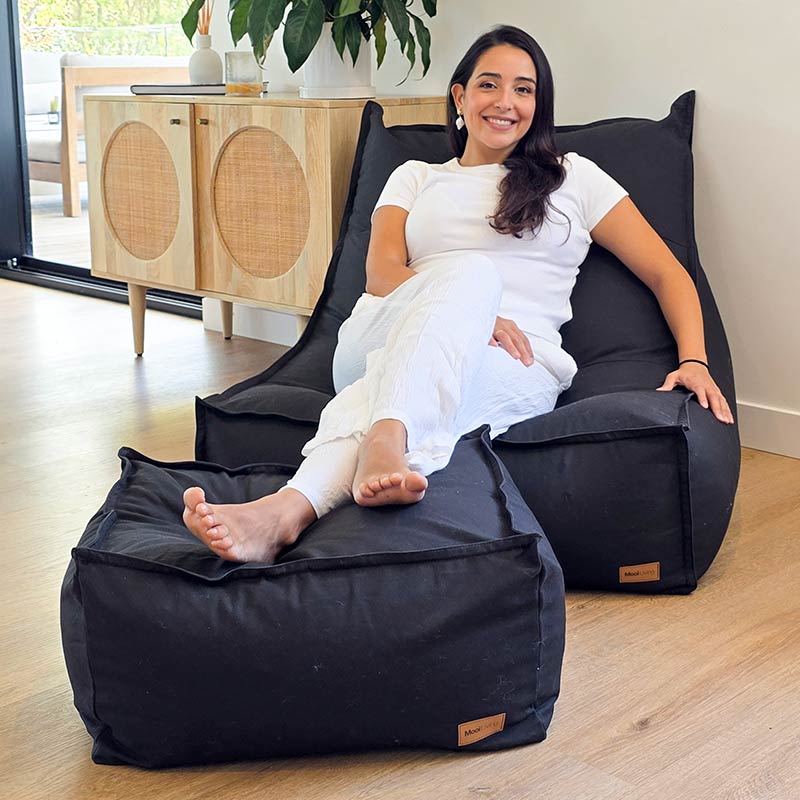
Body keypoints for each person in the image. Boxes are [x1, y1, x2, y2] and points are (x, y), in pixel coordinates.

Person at [182, 24, 734, 564]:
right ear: (460, 96)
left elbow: (668, 272)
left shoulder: (576, 178)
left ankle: (284, 513)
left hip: (519, 362)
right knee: (471, 275)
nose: (506, 101)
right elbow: (380, 275)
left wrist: (694, 360)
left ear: (538, 106)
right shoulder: (414, 176)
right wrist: (473, 311)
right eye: (489, 84)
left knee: (403, 385)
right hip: (383, 328)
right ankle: (389, 436)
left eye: (525, 89)